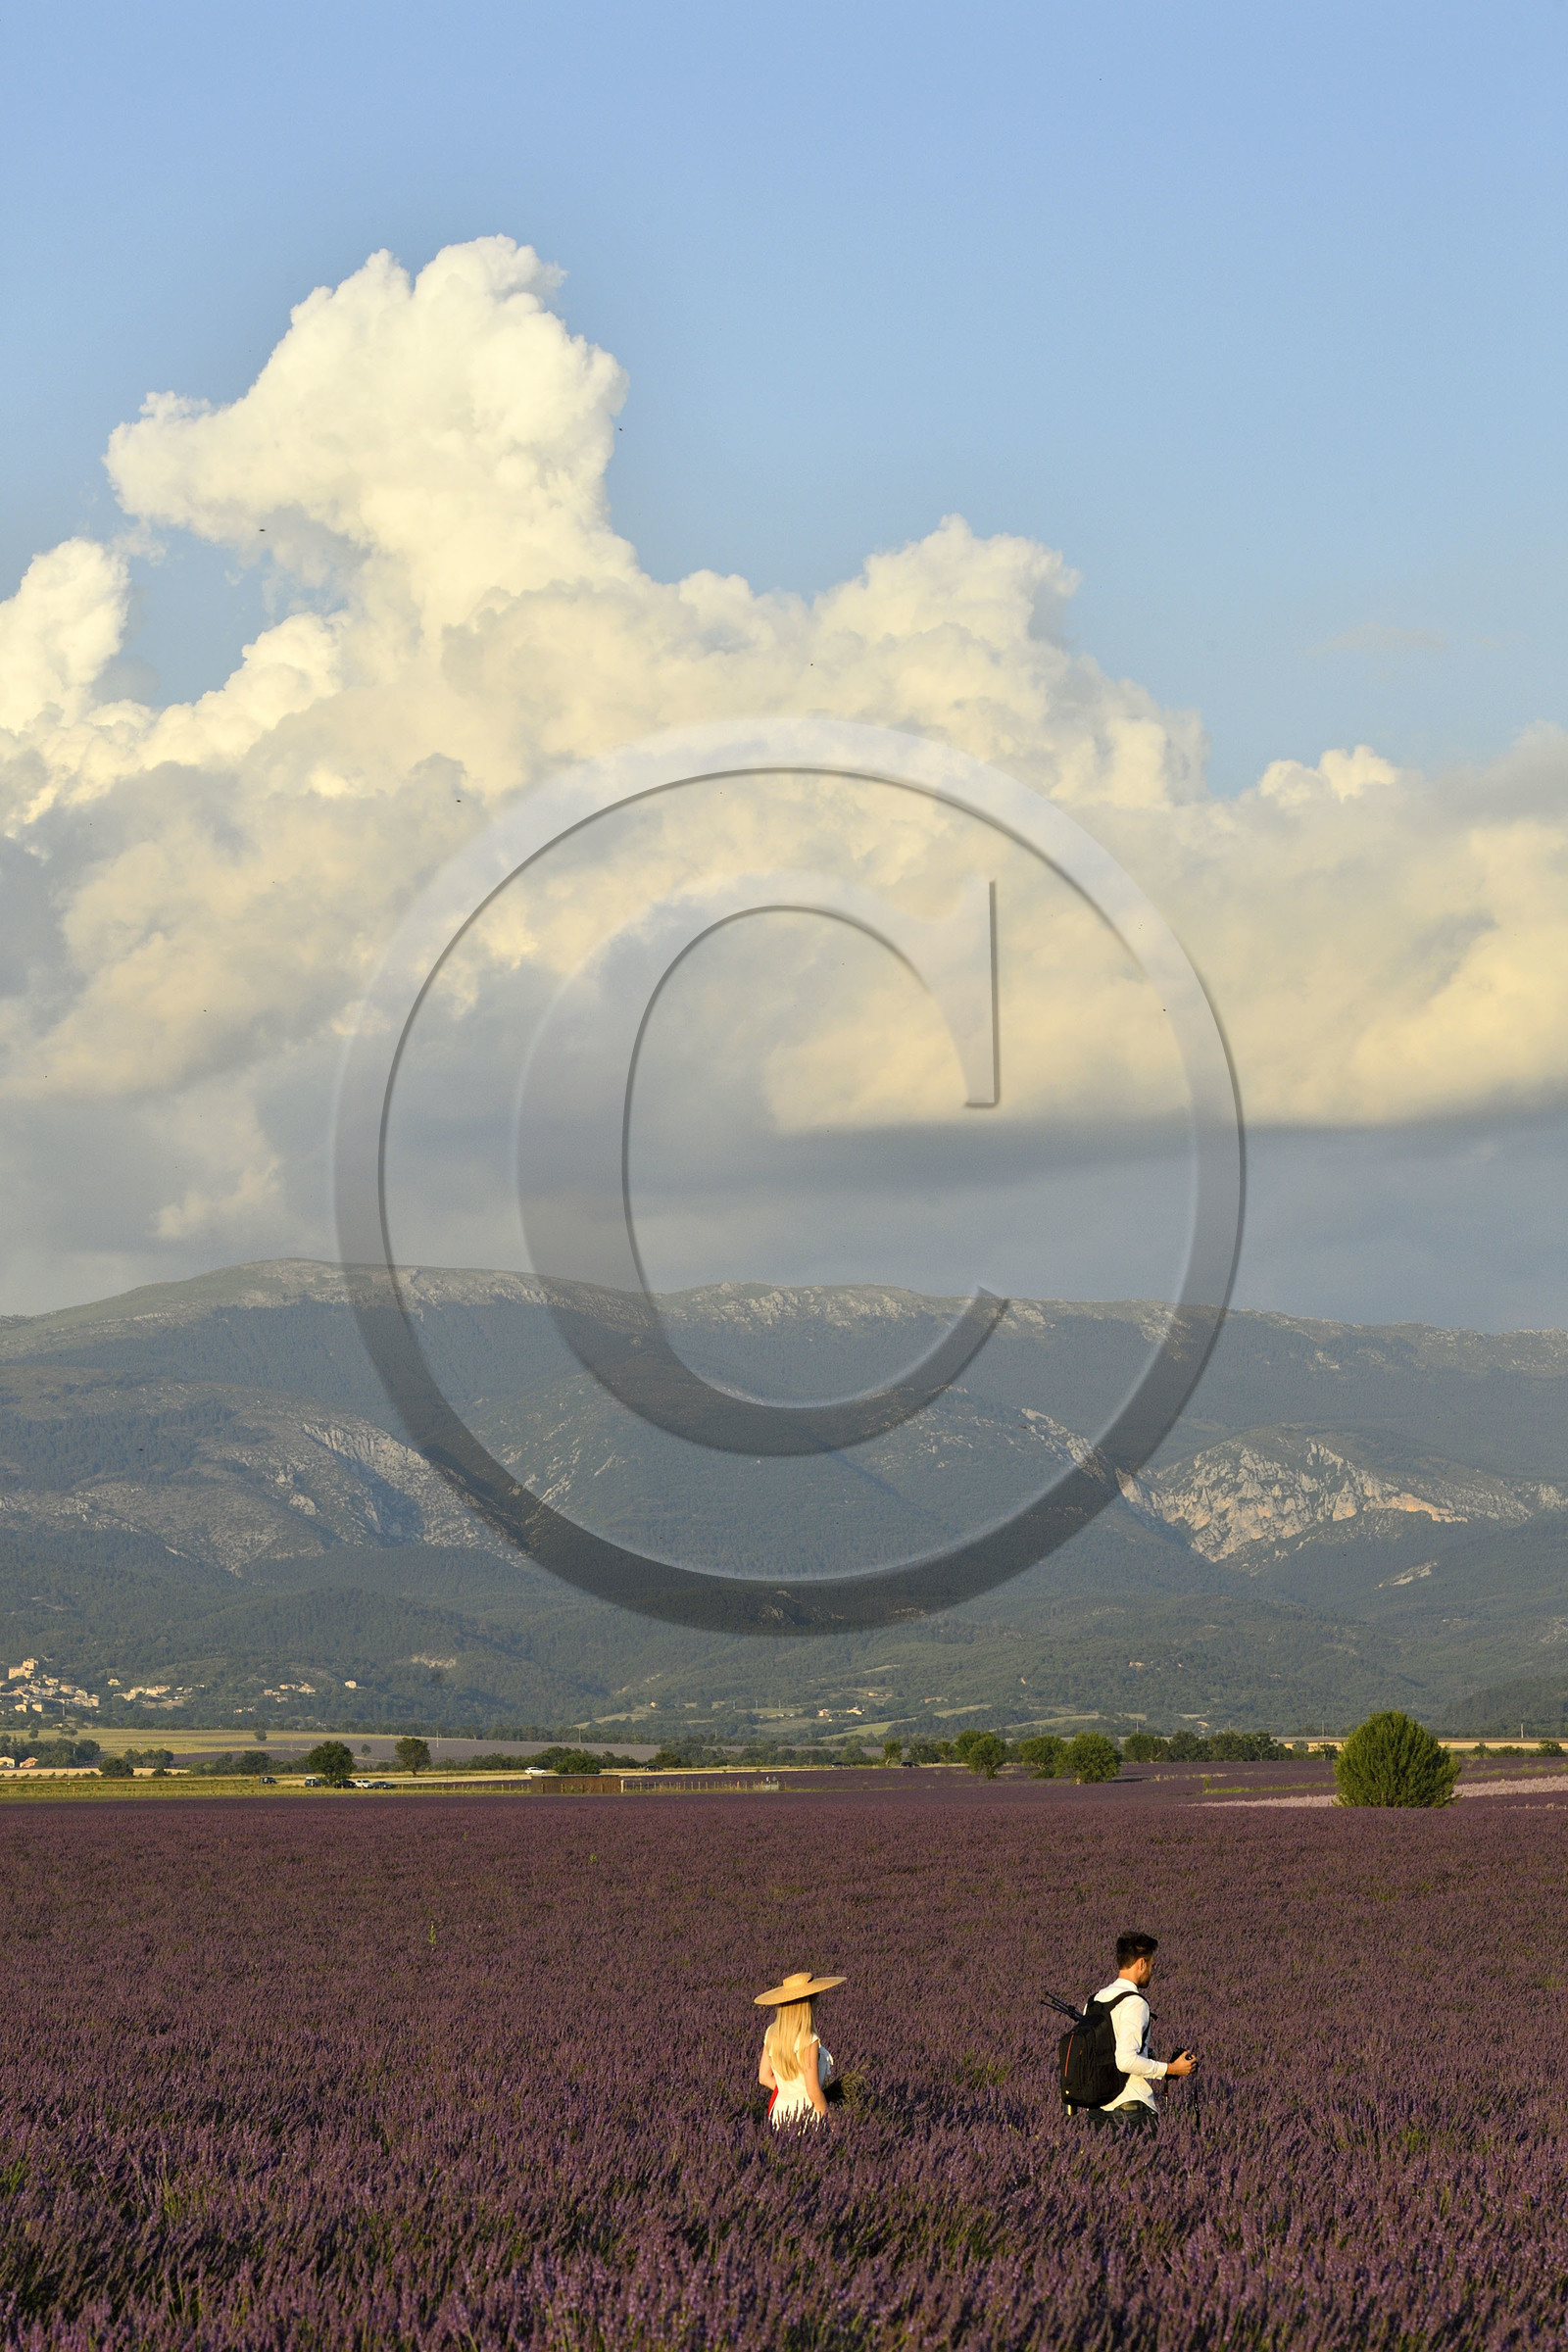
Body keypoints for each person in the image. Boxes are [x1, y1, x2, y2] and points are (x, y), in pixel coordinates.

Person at [1076, 1931, 1196, 2132]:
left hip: (1096, 2110)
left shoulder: (1095, 2001)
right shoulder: (1135, 2003)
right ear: (1141, 1963)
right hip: (1130, 2111)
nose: (1152, 1971)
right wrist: (1171, 2069)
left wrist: (1154, 2062)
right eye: (1151, 1965)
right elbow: (1125, 2061)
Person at [755, 1968, 844, 2129]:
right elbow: (813, 2090)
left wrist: (789, 2093)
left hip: (780, 2112)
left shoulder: (772, 2032)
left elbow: (764, 2077)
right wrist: (833, 2124)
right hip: (807, 2116)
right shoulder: (808, 2039)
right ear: (807, 2004)